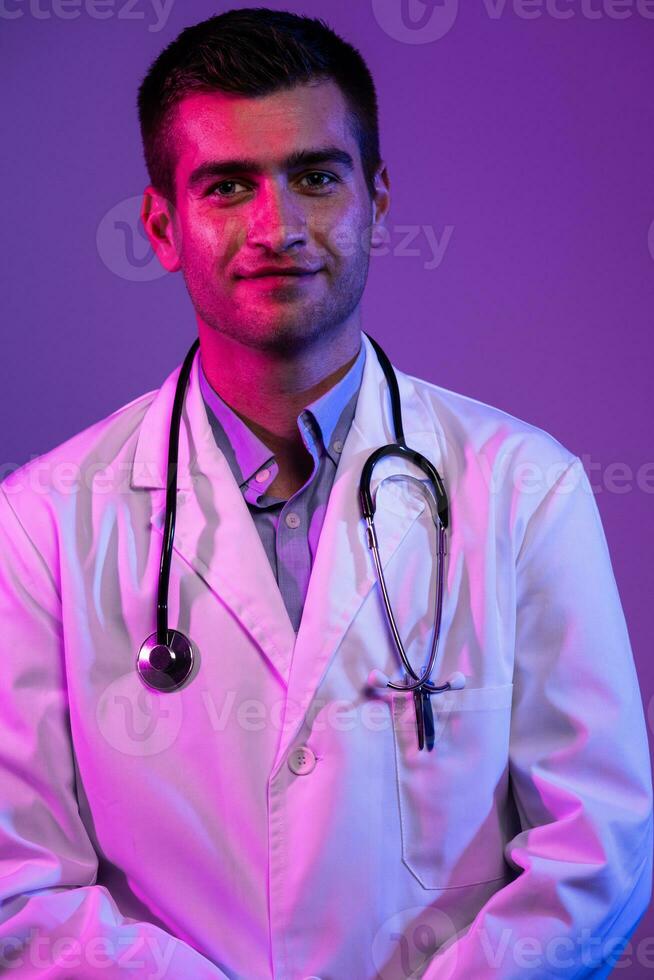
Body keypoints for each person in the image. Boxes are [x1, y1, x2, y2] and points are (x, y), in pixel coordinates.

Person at [0, 8, 651, 978]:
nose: (279, 226)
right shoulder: (44, 519)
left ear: (377, 196)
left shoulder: (526, 486)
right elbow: (22, 883)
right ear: (162, 226)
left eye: (316, 175)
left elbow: (597, 846)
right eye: (227, 186)